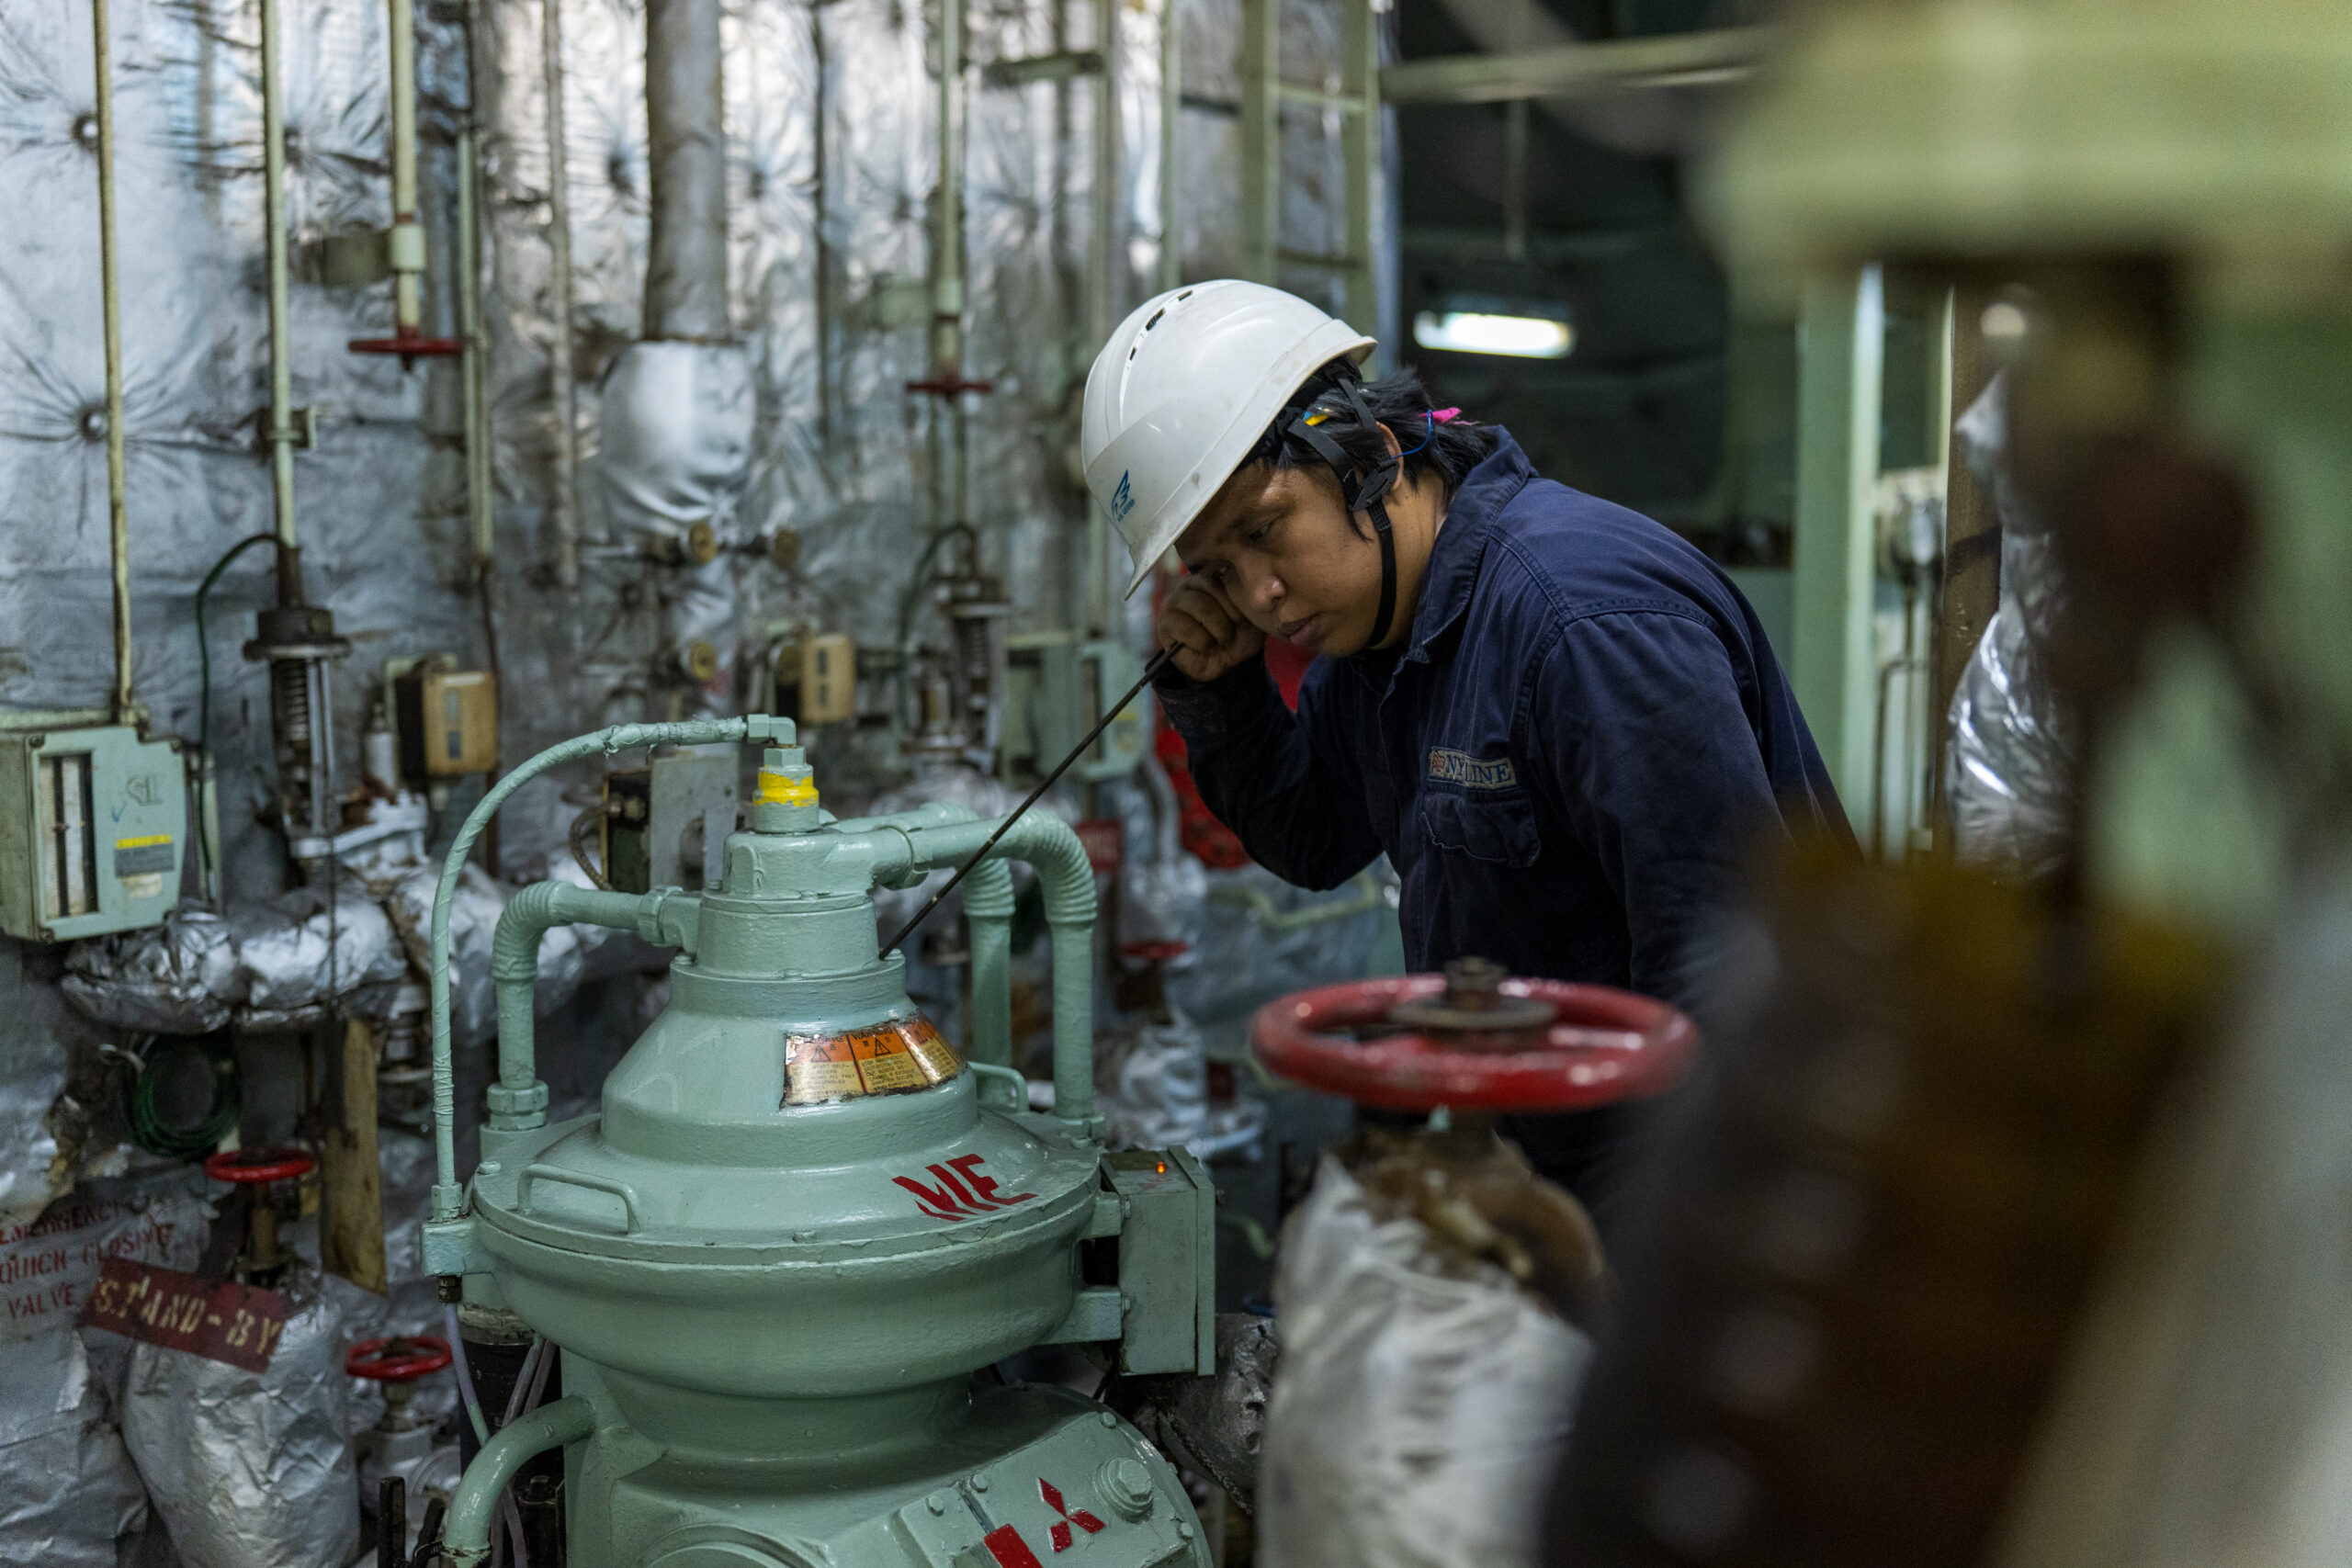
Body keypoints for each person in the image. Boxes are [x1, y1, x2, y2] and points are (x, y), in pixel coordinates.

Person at [1080, 280, 1853, 1215]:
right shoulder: (1381, 629)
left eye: (1264, 531)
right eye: (1219, 572)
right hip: (1544, 1160)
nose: (1259, 597)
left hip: (1703, 1182)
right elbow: (1314, 837)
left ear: (1368, 454)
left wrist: (1617, 1250)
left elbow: (1724, 975)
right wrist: (1224, 692)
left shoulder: (1581, 624)